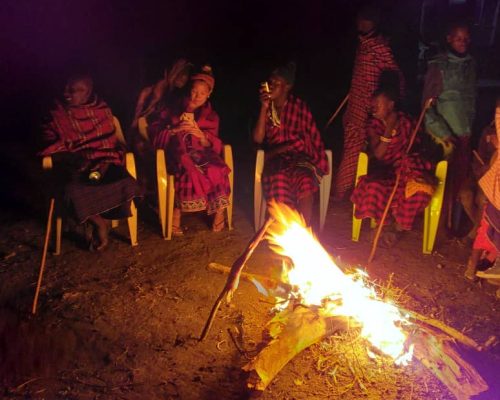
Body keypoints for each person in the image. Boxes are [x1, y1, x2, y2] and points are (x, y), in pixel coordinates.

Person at [40, 75, 141, 251]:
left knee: (127, 183)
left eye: (74, 90)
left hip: (105, 161)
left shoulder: (101, 111)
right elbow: (48, 145)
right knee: (71, 191)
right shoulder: (56, 114)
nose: (67, 94)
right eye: (65, 89)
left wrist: (105, 162)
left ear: (88, 93)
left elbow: (112, 143)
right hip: (75, 165)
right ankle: (98, 222)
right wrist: (77, 158)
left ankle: (106, 216)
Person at [148, 65, 231, 235]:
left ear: (209, 94)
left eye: (202, 93)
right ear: (189, 90)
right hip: (177, 153)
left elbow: (214, 145)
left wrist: (201, 136)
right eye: (194, 91)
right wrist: (174, 130)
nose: (197, 96)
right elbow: (155, 132)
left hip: (202, 154)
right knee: (185, 169)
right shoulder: (172, 109)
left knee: (217, 169)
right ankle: (176, 212)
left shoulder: (211, 116)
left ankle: (219, 211)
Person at [334, 4, 404, 200]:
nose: (361, 23)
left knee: (360, 151)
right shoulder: (362, 44)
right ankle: (345, 193)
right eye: (360, 19)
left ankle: (345, 193)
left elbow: (395, 74)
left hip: (371, 108)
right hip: (355, 105)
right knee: (353, 149)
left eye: (366, 20)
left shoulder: (380, 47)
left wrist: (390, 102)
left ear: (374, 22)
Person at [351, 86, 434, 246]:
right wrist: (389, 128)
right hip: (387, 172)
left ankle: (397, 228)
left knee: (420, 189)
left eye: (378, 104)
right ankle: (383, 226)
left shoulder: (408, 122)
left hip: (407, 171)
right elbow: (379, 154)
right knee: (373, 186)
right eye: (372, 104)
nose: (373, 107)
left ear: (390, 104)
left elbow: (417, 148)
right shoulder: (374, 125)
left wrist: (408, 163)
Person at [252, 62, 329, 225]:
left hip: (300, 159)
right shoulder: (268, 107)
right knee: (278, 179)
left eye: (276, 84)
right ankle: (286, 227)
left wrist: (285, 148)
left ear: (287, 86)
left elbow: (303, 141)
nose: (271, 86)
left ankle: (304, 230)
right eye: (270, 83)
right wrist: (263, 108)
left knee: (305, 180)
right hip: (275, 161)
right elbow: (258, 139)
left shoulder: (299, 107)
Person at [422, 22, 476, 229]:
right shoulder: (439, 66)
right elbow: (427, 107)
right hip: (445, 136)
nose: (463, 42)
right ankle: (439, 226)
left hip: (464, 132)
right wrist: (443, 133)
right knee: (443, 181)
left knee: (460, 180)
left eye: (466, 39)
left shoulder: (470, 65)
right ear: (449, 39)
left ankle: (454, 224)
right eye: (458, 38)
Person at [465, 104, 500, 295]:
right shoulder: (489, 136)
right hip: (493, 196)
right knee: (486, 225)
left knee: (488, 223)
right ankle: (474, 265)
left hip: (495, 197)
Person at [131, 58, 192, 129]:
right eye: (182, 74)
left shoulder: (174, 91)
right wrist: (136, 120)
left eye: (186, 75)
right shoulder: (162, 86)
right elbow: (144, 105)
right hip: (145, 123)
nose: (184, 78)